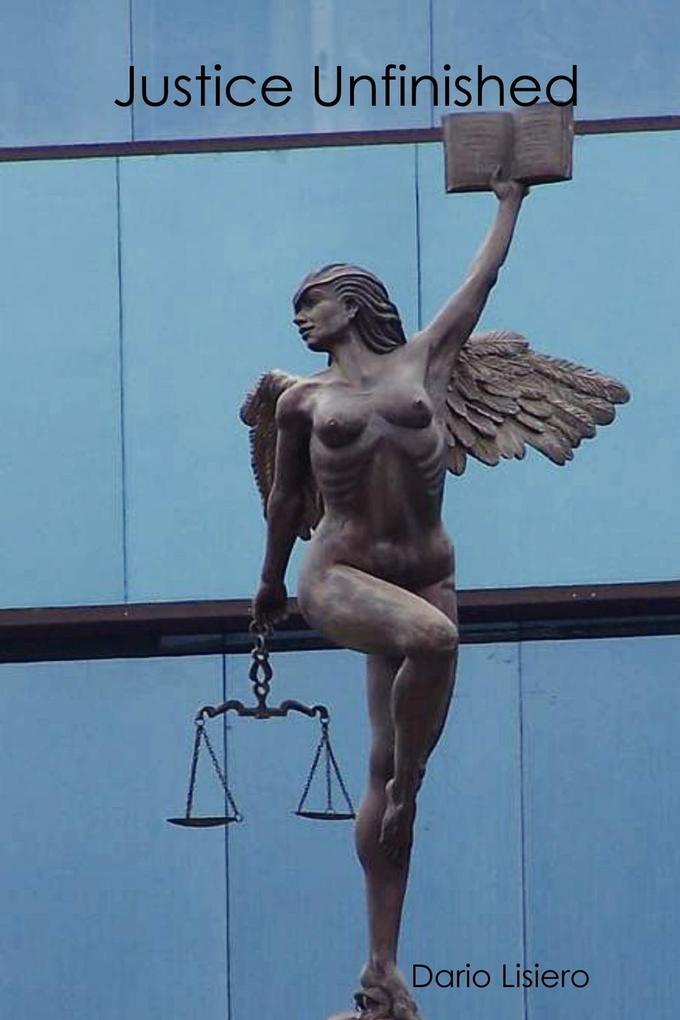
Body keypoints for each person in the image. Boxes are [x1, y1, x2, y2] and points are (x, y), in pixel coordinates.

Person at [252, 174, 527, 1018]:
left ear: (352, 304)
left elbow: (479, 283)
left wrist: (509, 201)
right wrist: (268, 582)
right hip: (338, 575)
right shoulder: (302, 401)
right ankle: (405, 789)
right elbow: (285, 501)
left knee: (385, 764)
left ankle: (382, 974)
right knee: (433, 647)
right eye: (297, 309)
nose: (301, 318)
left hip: (426, 574)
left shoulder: (425, 362)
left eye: (311, 303)